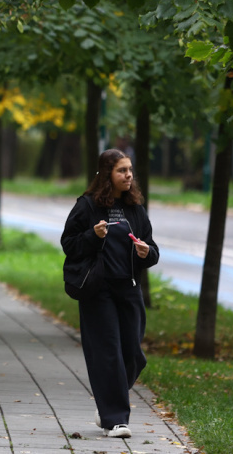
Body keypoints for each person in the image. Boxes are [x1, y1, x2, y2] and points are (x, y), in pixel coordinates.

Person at [60, 149, 160, 439]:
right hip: (97, 289)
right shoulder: (87, 206)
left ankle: (108, 400)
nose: (128, 176)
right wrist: (93, 236)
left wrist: (147, 252)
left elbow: (152, 249)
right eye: (122, 171)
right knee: (108, 355)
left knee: (134, 355)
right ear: (107, 175)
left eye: (130, 170)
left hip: (128, 289)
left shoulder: (136, 209)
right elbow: (69, 243)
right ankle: (115, 419)